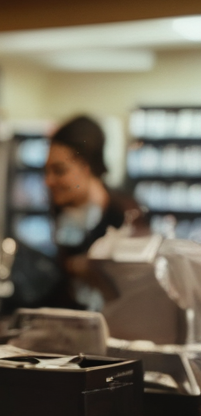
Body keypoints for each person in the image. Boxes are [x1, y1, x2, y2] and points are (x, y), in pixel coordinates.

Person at [40, 115, 139, 309]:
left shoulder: (127, 214)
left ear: (86, 167)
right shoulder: (62, 209)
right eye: (47, 171)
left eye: (59, 171)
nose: (48, 181)